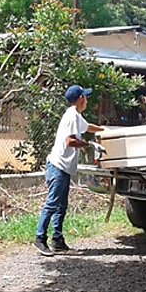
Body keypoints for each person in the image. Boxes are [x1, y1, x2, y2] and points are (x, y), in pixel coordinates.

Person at [33, 85, 105, 256]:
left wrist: (104, 130)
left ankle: (57, 239)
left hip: (63, 168)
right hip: (57, 167)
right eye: (85, 97)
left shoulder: (76, 115)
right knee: (52, 203)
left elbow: (88, 127)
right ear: (80, 99)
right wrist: (90, 145)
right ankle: (39, 238)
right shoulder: (72, 116)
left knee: (61, 205)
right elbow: (70, 141)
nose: (87, 100)